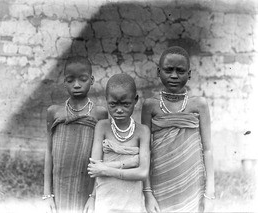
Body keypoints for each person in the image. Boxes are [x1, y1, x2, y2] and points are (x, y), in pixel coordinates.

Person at [141, 46, 215, 212]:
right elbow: (145, 151)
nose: (174, 75)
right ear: (158, 72)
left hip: (192, 183)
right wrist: (147, 193)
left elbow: (208, 150)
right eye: (168, 70)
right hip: (161, 181)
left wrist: (209, 193)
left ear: (189, 74)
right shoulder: (150, 105)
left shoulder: (199, 104)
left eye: (180, 71)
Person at [43, 56, 108, 213]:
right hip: (59, 185)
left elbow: (101, 158)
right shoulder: (54, 112)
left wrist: (93, 196)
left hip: (86, 185)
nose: (77, 85)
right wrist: (47, 195)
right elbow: (49, 153)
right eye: (70, 80)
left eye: (83, 79)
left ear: (91, 80)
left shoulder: (99, 113)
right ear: (64, 82)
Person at [84, 73, 151, 213]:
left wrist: (106, 169)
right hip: (105, 198)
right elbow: (95, 168)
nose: (119, 110)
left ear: (135, 100)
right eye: (113, 104)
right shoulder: (102, 127)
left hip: (132, 199)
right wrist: (92, 197)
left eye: (126, 104)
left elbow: (143, 172)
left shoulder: (142, 131)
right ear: (106, 100)